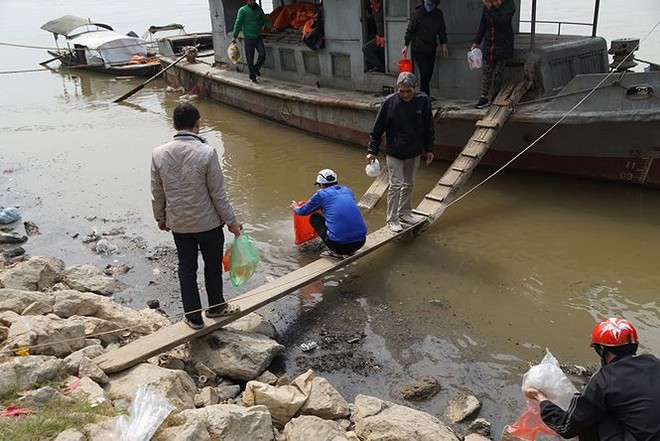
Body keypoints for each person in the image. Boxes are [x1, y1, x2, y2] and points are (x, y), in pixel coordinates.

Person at [151, 103, 242, 330]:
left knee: (186, 268)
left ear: (174, 124)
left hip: (179, 225)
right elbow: (218, 194)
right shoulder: (207, 152)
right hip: (208, 224)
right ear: (198, 124)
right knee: (212, 266)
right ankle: (216, 307)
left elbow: (157, 190)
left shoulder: (159, 153)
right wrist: (232, 223)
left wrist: (160, 217)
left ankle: (193, 317)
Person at [524, 317, 660, 440]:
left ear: (601, 349)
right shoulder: (655, 362)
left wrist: (541, 398)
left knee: (590, 416)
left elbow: (566, 426)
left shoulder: (604, 379)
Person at [366, 72, 434, 233]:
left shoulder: (423, 101)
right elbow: (377, 128)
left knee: (409, 184)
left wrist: (429, 149)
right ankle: (392, 219)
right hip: (395, 150)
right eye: (401, 91)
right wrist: (372, 151)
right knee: (395, 185)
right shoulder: (389, 102)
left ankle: (404, 213)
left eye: (408, 91)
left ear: (414, 88)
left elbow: (429, 127)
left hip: (414, 150)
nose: (405, 94)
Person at [290, 169, 367, 259]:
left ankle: (335, 253)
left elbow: (302, 212)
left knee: (314, 217)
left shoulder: (321, 195)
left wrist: (295, 207)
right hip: (361, 242)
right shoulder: (347, 191)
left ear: (321, 184)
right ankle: (348, 251)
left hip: (340, 247)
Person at [471, 0, 515, 109]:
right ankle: (483, 96)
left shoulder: (509, 6)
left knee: (498, 72)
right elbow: (483, 24)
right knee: (487, 71)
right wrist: (476, 42)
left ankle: (495, 96)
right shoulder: (488, 7)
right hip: (489, 43)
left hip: (503, 43)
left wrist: (491, 10)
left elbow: (502, 23)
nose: (495, 4)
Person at [401, 0, 449, 98]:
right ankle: (425, 96)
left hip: (431, 47)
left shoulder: (438, 14)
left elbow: (441, 30)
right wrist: (406, 45)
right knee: (424, 71)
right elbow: (410, 30)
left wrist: (444, 44)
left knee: (429, 72)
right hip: (419, 48)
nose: (430, 6)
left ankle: (424, 95)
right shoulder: (418, 13)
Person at [232, 0, 275, 84]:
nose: (252, 2)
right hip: (248, 38)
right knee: (250, 59)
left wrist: (271, 26)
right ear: (247, 1)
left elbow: (264, 19)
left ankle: (256, 69)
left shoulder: (259, 9)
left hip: (258, 37)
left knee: (262, 55)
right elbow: (238, 23)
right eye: (250, 0)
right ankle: (252, 77)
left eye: (253, 0)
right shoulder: (243, 10)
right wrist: (235, 36)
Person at [362, 0, 385, 73]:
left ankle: (381, 66)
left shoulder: (383, 6)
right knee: (366, 49)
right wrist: (367, 16)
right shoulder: (374, 8)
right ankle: (379, 66)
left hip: (387, 36)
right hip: (379, 37)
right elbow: (374, 19)